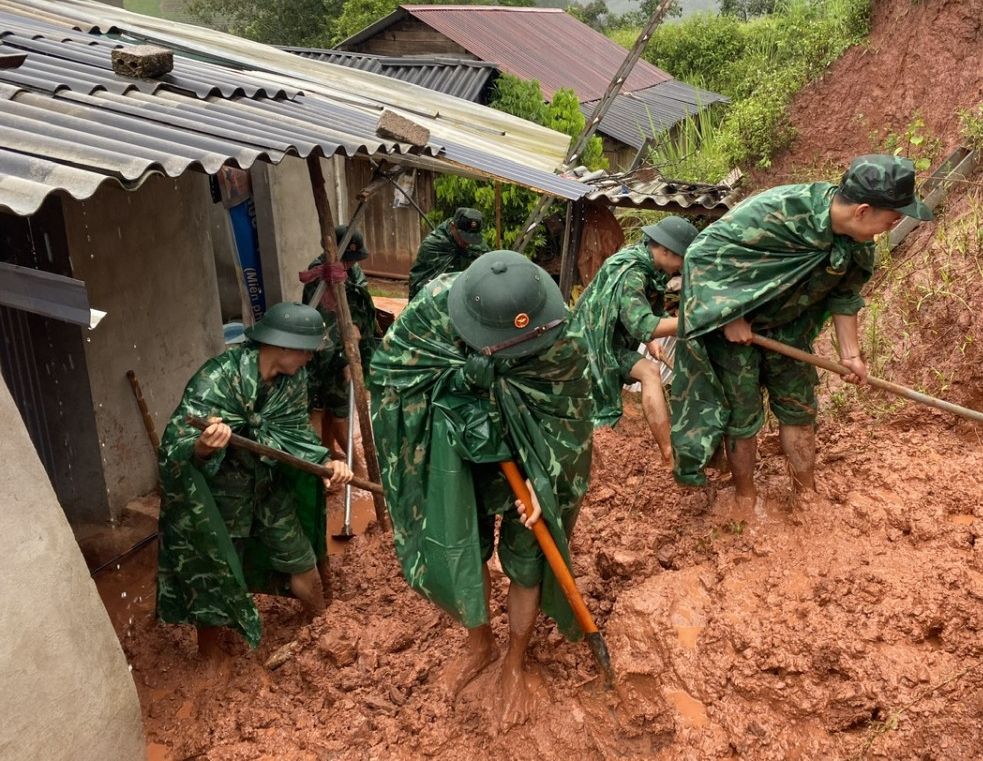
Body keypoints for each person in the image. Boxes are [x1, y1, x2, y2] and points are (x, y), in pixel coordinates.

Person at [371, 251, 592, 729]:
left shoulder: (560, 334)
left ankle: (515, 661)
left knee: (529, 556)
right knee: (462, 546)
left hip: (530, 454)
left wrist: (542, 483)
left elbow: (570, 423)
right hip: (457, 450)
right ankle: (479, 644)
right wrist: (458, 380)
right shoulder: (431, 310)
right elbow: (393, 379)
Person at [671, 155, 933, 512]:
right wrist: (729, 315)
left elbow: (844, 295)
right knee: (742, 418)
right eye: (893, 218)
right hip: (733, 332)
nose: (892, 225)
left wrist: (851, 355)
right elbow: (702, 255)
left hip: (789, 329)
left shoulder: (858, 242)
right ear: (864, 210)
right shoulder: (777, 211)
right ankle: (746, 497)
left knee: (799, 410)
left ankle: (804, 495)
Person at [155, 302, 353, 661]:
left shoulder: (294, 382)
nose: (310, 359)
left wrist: (326, 463)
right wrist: (202, 447)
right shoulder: (218, 377)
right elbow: (176, 443)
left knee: (301, 560)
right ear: (281, 346)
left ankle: (321, 625)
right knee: (215, 573)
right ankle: (210, 656)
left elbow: (294, 433)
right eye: (307, 351)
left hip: (268, 488)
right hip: (223, 495)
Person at [569, 216, 698, 467]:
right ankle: (670, 454)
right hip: (593, 347)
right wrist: (692, 321)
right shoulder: (632, 272)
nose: (681, 266)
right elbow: (642, 324)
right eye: (681, 258)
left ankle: (668, 452)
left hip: (610, 342)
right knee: (647, 374)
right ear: (664, 250)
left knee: (650, 370)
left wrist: (650, 341)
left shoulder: (647, 265)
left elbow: (647, 311)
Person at [299, 225, 378, 464]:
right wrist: (345, 360)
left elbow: (359, 306)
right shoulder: (322, 277)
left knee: (331, 406)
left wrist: (356, 327)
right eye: (349, 260)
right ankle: (358, 468)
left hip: (348, 349)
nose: (352, 264)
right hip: (329, 355)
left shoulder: (352, 274)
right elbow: (326, 328)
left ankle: (328, 450)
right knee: (337, 408)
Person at [407, 206, 490, 298]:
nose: (467, 243)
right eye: (463, 237)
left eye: (472, 238)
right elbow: (420, 285)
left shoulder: (476, 247)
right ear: (453, 226)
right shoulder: (434, 245)